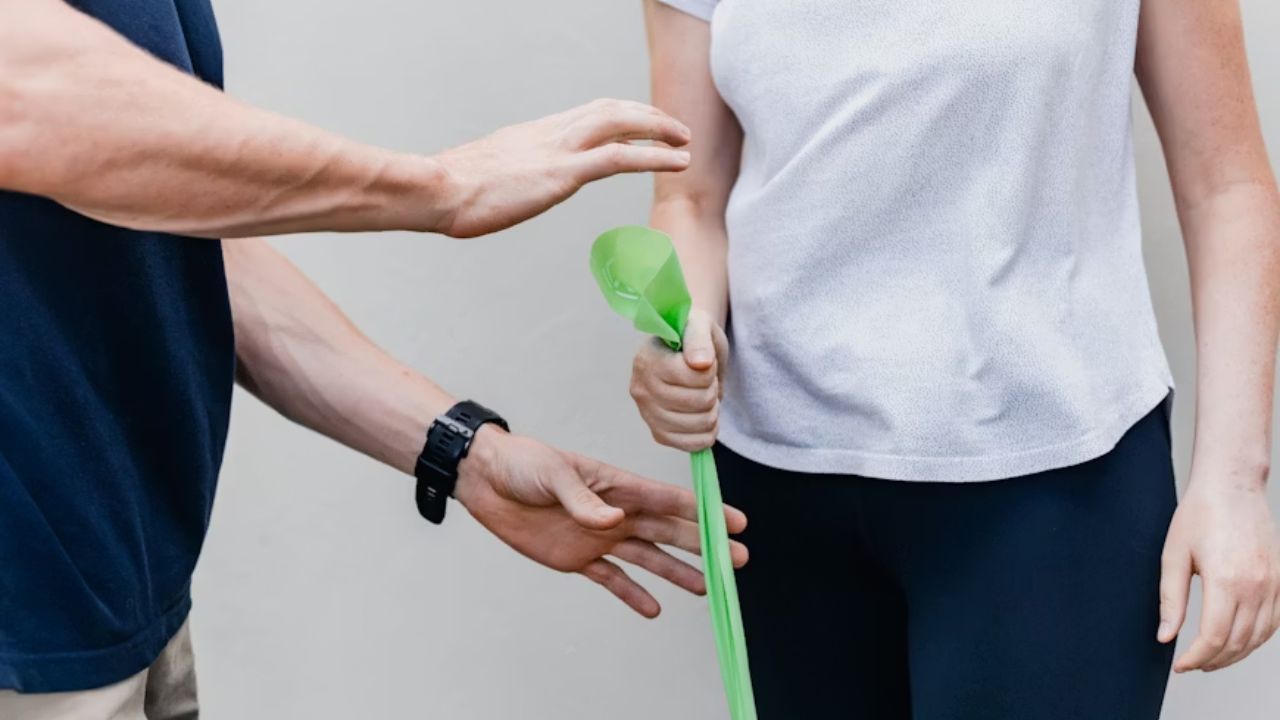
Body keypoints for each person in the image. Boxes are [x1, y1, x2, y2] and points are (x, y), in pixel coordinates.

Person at [0, 0, 751, 717]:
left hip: (121, 594)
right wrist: (442, 187)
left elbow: (177, 245)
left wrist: (463, 450)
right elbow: (27, 100)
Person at [630, 0, 1280, 717]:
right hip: (779, 493)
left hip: (1055, 483)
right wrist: (682, 332)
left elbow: (1226, 186)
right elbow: (690, 198)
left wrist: (1234, 482)